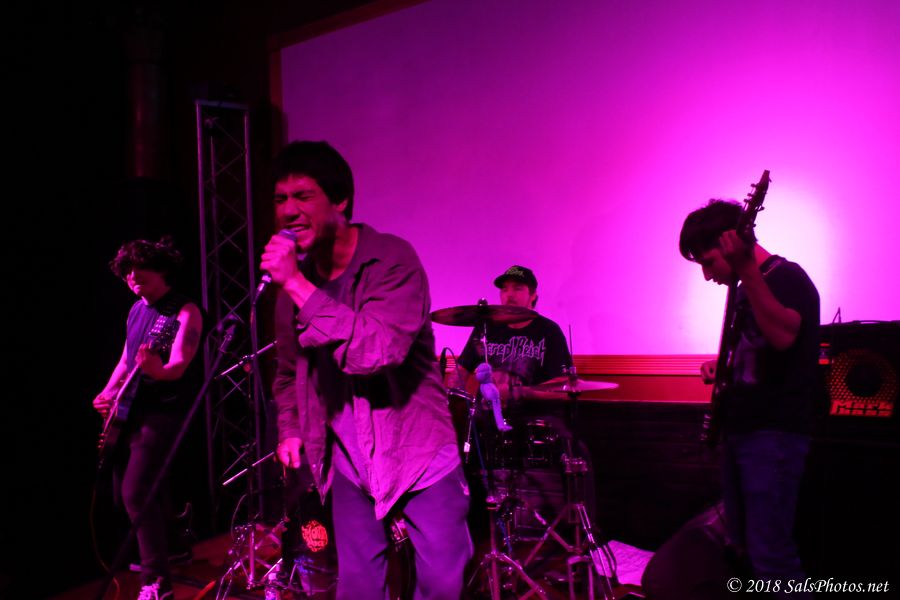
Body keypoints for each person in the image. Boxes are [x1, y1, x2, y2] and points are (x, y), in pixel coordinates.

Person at [263, 140, 472, 599]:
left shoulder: (391, 260)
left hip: (417, 451)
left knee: (441, 584)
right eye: (280, 199)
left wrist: (295, 283)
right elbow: (288, 372)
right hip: (348, 460)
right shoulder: (291, 291)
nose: (289, 211)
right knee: (357, 587)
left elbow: (375, 352)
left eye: (303, 196)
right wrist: (290, 428)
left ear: (340, 201)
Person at [679, 199, 819, 600]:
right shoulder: (745, 291)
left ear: (731, 243)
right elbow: (762, 347)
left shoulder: (787, 277)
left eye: (708, 262)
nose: (707, 275)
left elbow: (784, 336)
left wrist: (747, 270)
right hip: (743, 433)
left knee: (772, 555)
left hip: (773, 435)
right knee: (742, 547)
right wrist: (723, 364)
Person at [93, 238, 203, 600]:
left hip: (161, 411)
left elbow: (179, 365)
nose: (133, 278)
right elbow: (127, 360)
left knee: (136, 492)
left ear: (161, 270)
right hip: (128, 410)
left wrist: (158, 370)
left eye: (140, 272)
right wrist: (108, 392)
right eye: (128, 273)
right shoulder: (136, 310)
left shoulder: (185, 311)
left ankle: (156, 583)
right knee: (124, 494)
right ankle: (173, 542)